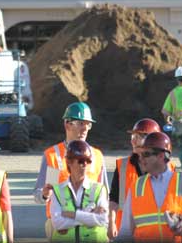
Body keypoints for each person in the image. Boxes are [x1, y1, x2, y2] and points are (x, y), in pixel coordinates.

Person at [33, 102, 108, 238]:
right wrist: (45, 194)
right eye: (80, 123)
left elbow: (104, 196)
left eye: (88, 124)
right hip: (62, 228)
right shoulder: (54, 156)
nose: (85, 128)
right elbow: (40, 195)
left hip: (91, 228)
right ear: (67, 124)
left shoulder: (96, 156)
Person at [117, 132, 182, 242]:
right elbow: (126, 230)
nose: (140, 159)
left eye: (146, 154)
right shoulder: (137, 186)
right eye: (140, 154)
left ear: (161, 156)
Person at [108, 118, 161, 240]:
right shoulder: (122, 166)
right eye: (133, 136)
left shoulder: (167, 169)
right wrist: (111, 222)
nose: (134, 140)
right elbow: (114, 198)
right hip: (125, 233)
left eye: (140, 136)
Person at [50, 140, 108, 243]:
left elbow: (102, 219)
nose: (85, 164)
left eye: (88, 161)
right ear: (68, 161)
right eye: (81, 160)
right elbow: (57, 222)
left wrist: (73, 215)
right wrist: (88, 214)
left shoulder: (98, 189)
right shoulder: (58, 190)